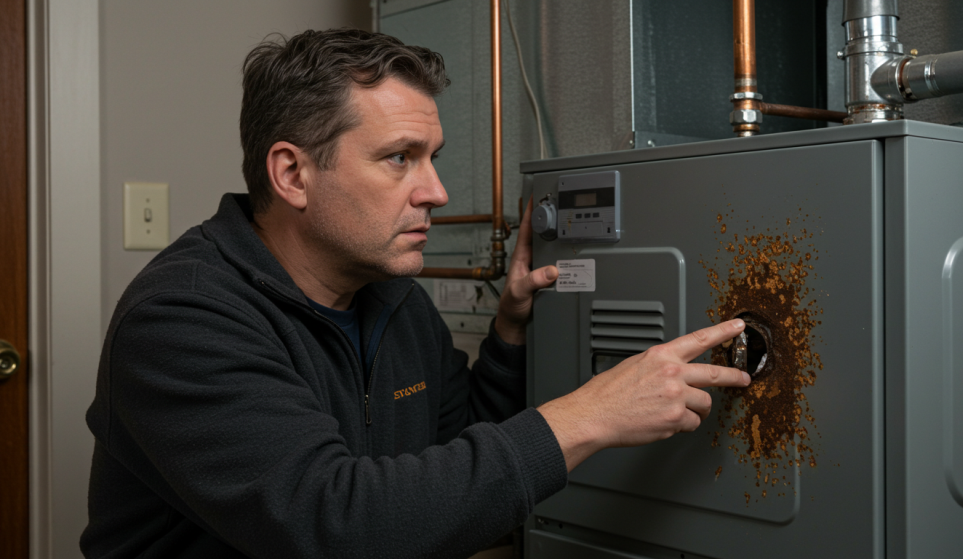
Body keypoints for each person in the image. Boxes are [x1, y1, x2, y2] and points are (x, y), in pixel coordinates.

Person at [81, 28, 750, 559]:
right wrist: (591, 415)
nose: (436, 191)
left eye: (432, 156)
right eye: (400, 157)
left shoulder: (394, 301)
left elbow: (458, 449)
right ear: (291, 173)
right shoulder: (182, 319)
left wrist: (511, 328)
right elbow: (336, 525)